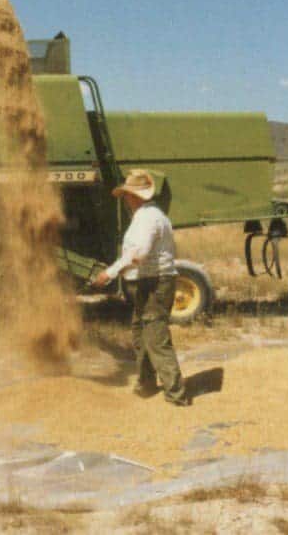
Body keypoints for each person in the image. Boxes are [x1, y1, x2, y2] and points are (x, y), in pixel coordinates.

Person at [93, 169, 189, 406]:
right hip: (148, 281)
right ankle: (146, 384)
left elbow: (140, 253)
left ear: (135, 196)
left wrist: (110, 272)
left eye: (127, 195)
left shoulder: (147, 218)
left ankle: (177, 394)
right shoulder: (148, 215)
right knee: (140, 332)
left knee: (155, 336)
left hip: (155, 282)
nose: (125, 199)